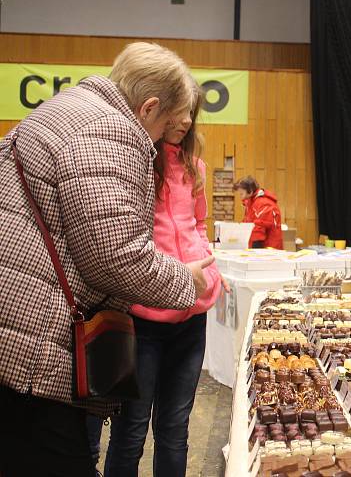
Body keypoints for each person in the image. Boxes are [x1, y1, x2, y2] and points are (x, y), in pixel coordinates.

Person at [0, 42, 213, 477]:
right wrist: (185, 281)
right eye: (167, 123)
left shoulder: (69, 108)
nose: (164, 137)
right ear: (149, 107)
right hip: (35, 348)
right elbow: (114, 257)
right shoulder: (110, 132)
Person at [104, 83, 222, 476]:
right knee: (131, 431)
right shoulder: (133, 163)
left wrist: (210, 269)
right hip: (144, 320)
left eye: (192, 112)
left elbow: (199, 225)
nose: (186, 120)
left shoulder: (196, 167)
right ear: (157, 109)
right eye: (179, 110)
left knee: (175, 429)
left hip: (191, 318)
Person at [234, 175, 283, 249]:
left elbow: (259, 230)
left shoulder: (264, 204)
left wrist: (254, 253)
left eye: (241, 194)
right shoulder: (251, 203)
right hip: (259, 248)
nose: (240, 196)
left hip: (269, 250)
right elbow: (247, 224)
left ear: (250, 191)